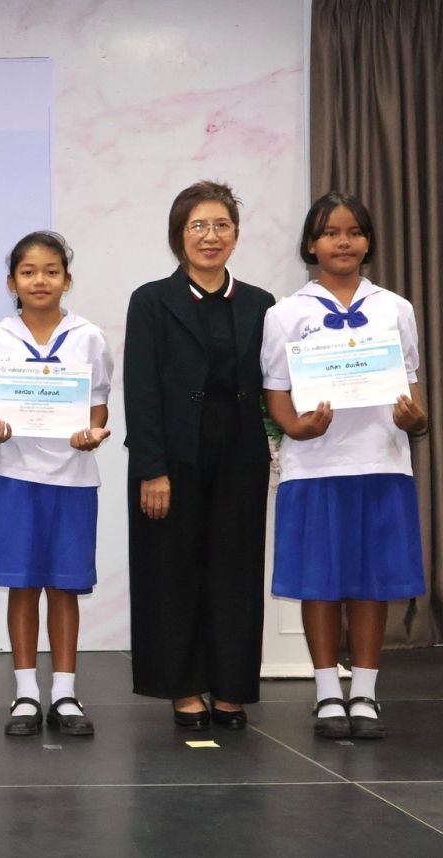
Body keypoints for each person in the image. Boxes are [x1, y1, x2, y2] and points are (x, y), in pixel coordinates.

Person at [262, 192, 429, 740]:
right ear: (311, 244)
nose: (343, 241)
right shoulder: (285, 313)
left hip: (382, 461)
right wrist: (295, 428)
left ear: (368, 241)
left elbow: (411, 389)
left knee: (372, 581)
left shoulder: (396, 308)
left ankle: (365, 692)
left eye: (354, 232)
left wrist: (415, 419)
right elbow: (276, 392)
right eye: (330, 232)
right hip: (314, 465)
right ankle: (327, 691)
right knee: (320, 581)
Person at [123, 180, 274, 729]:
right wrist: (151, 469)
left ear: (236, 234)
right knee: (173, 574)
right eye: (198, 226)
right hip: (172, 461)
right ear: (179, 235)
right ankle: (183, 688)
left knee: (236, 573)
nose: (211, 236)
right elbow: (140, 390)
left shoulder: (260, 303)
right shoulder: (151, 300)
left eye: (221, 226)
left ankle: (231, 689)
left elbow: (274, 383)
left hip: (240, 458)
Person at [0, 232, 113, 737]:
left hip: (73, 477)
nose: (41, 280)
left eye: (52, 271)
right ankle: (26, 693)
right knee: (22, 584)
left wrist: (92, 433)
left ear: (67, 280)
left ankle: (65, 693)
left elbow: (98, 404)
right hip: (14, 474)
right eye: (29, 271)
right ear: (11, 282)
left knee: (65, 585)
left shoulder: (88, 336)